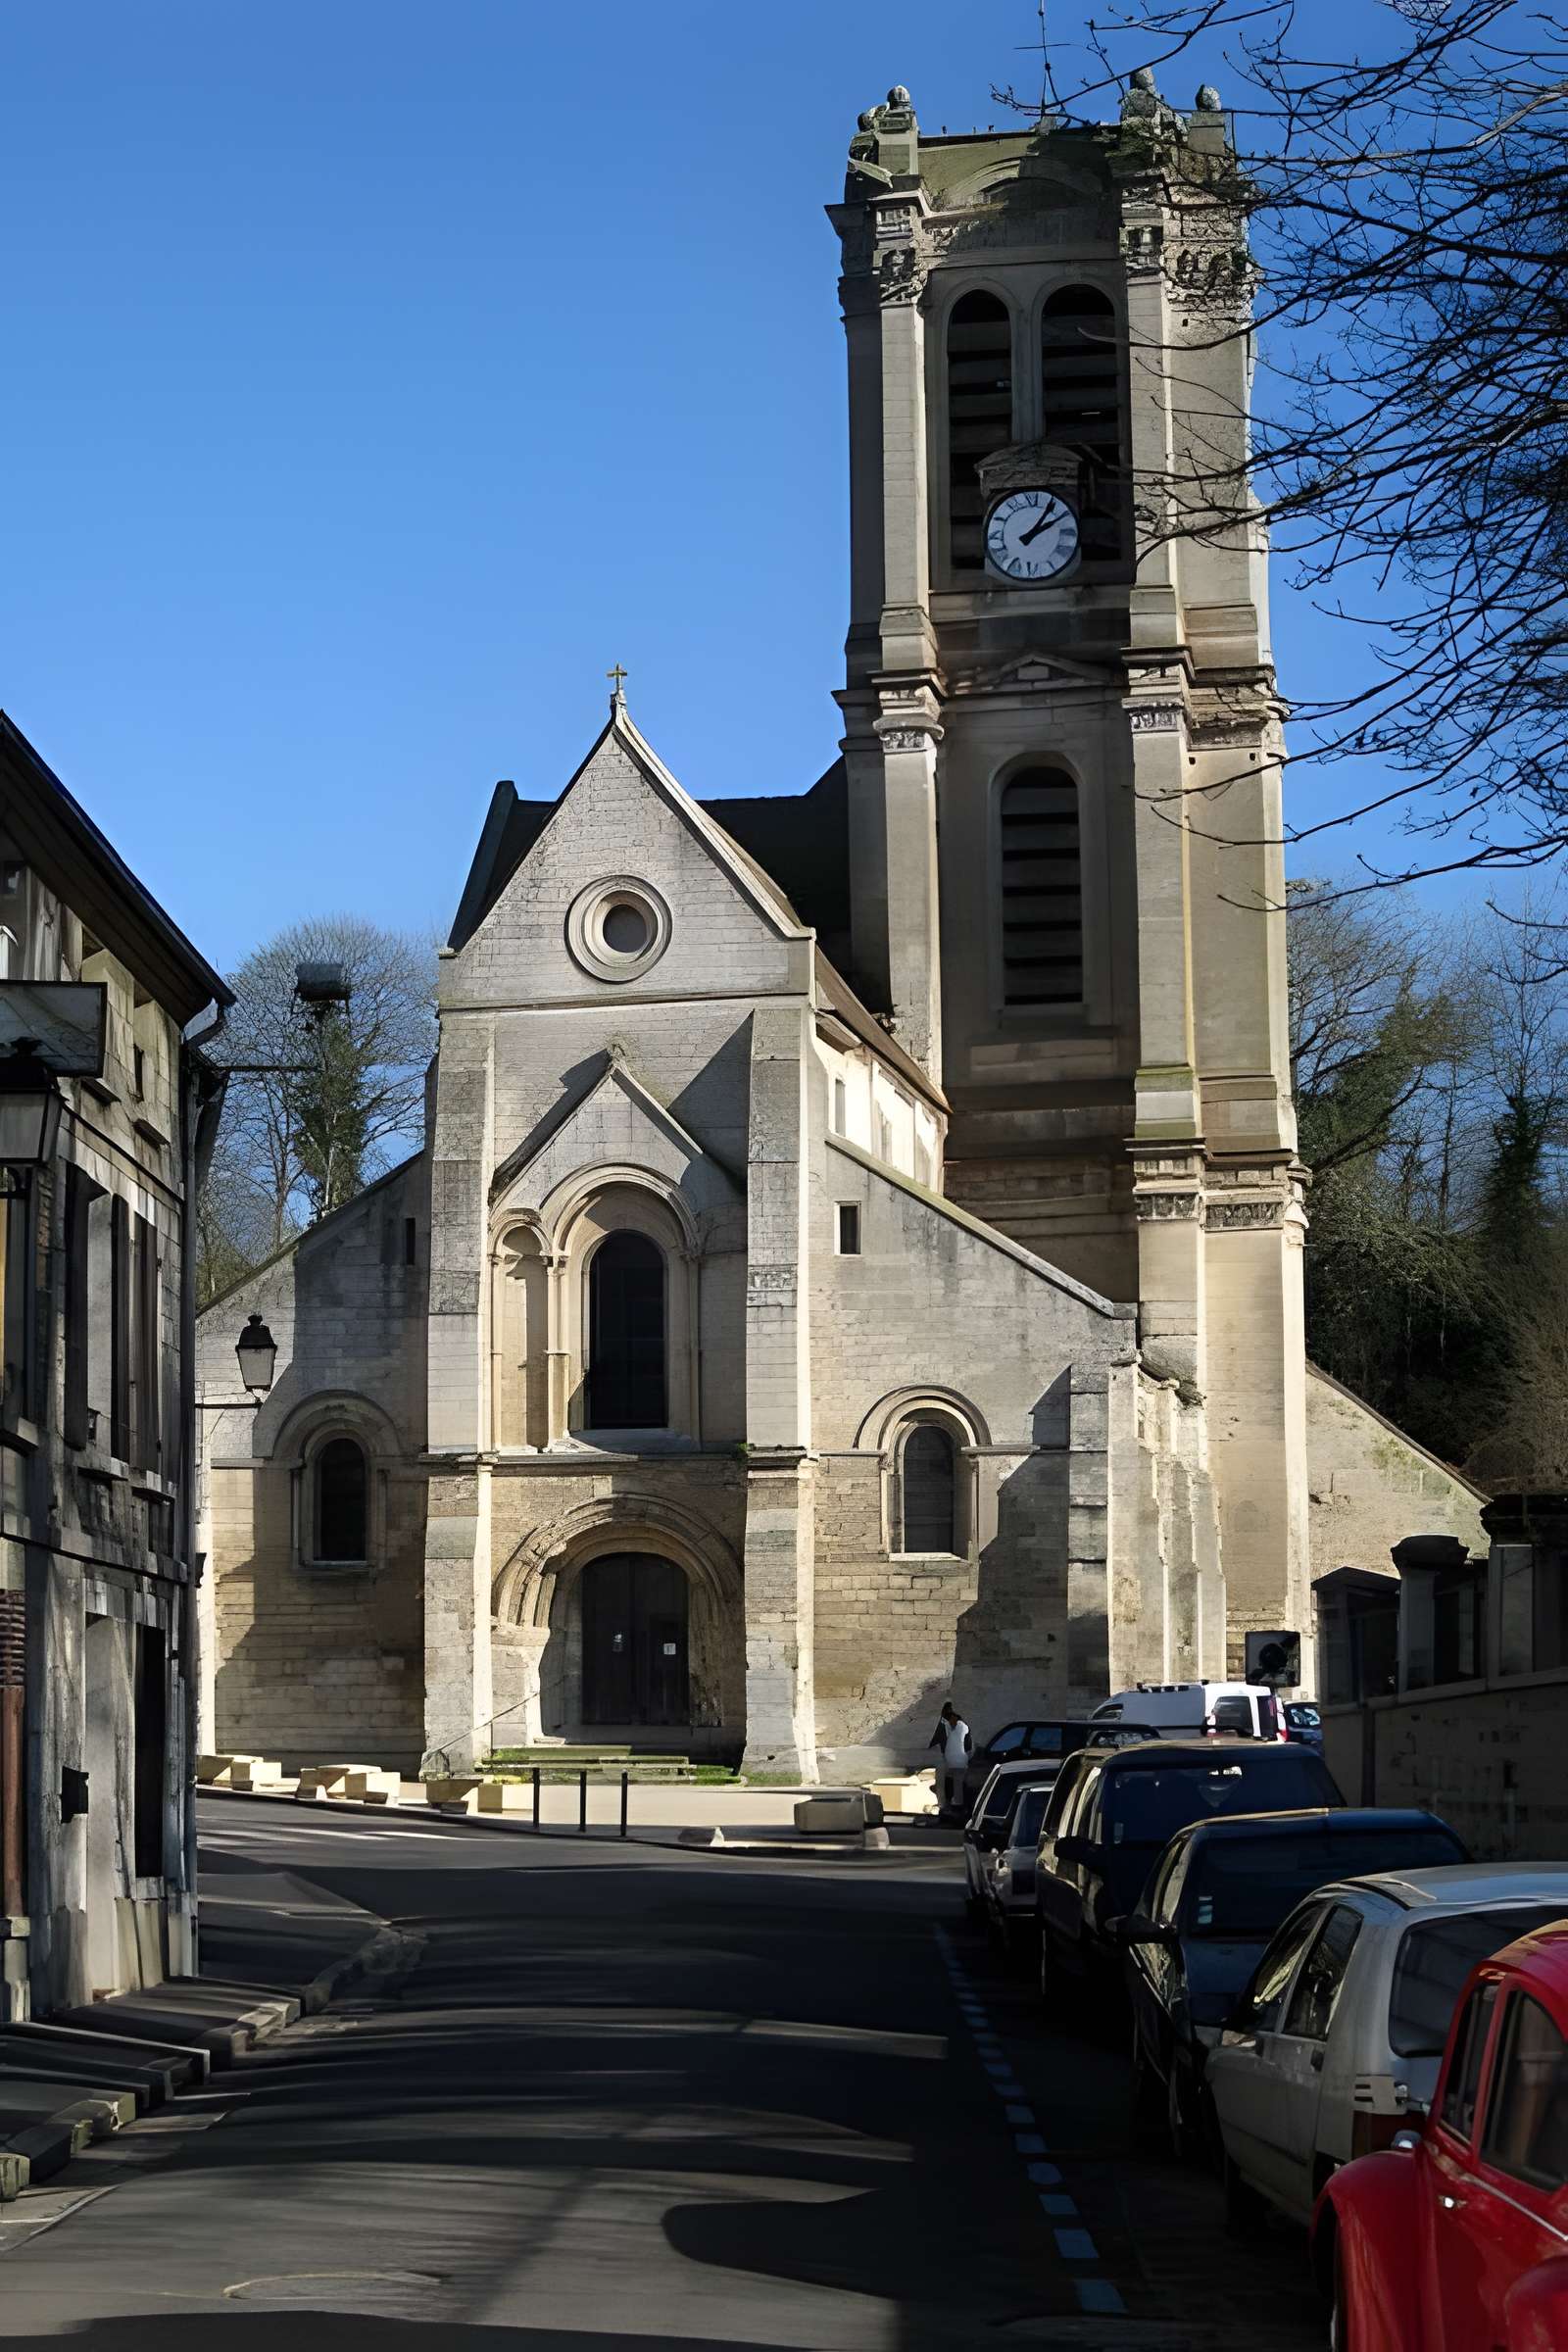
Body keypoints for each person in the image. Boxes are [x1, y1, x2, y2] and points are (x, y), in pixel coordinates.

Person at [930, 1701, 971, 1816]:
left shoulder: (946, 1725)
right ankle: (954, 1806)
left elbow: (935, 1740)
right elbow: (968, 1745)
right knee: (956, 1783)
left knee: (943, 1781)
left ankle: (946, 1806)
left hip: (950, 1760)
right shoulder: (961, 1725)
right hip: (957, 1760)